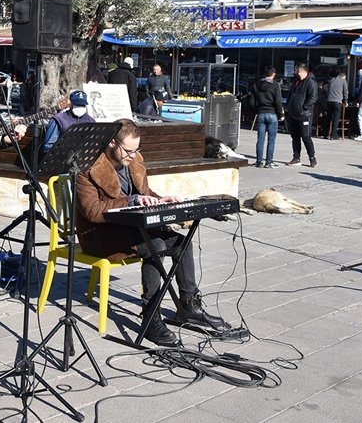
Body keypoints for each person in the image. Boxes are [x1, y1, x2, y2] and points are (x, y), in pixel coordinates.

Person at [74, 119, 229, 346]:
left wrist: (159, 199)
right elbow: (92, 211)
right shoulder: (88, 168)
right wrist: (131, 200)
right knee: (155, 246)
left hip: (130, 229)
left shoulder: (134, 160)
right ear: (111, 143)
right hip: (100, 235)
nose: (133, 155)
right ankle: (150, 315)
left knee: (181, 242)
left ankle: (188, 306)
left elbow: (144, 193)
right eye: (128, 150)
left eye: (137, 149)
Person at [286, 62, 318, 168]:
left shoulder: (311, 82)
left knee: (305, 136)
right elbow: (291, 95)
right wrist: (288, 106)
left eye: (296, 70)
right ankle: (296, 157)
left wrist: (304, 107)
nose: (295, 72)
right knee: (295, 137)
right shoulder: (296, 81)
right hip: (293, 113)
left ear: (300, 71)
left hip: (304, 114)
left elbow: (313, 97)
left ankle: (312, 158)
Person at [252, 66, 284, 168]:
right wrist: (280, 114)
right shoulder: (275, 85)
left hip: (261, 113)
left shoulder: (256, 84)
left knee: (260, 139)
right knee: (271, 139)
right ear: (273, 74)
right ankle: (269, 162)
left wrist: (256, 111)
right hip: (272, 113)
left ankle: (259, 161)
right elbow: (278, 102)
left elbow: (252, 101)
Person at [324, 70, 348, 140]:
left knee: (328, 118)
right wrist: (345, 101)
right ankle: (333, 135)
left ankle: (325, 134)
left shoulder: (331, 80)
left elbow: (327, 90)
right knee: (336, 119)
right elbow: (345, 91)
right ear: (343, 76)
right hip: (337, 102)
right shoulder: (343, 81)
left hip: (329, 101)